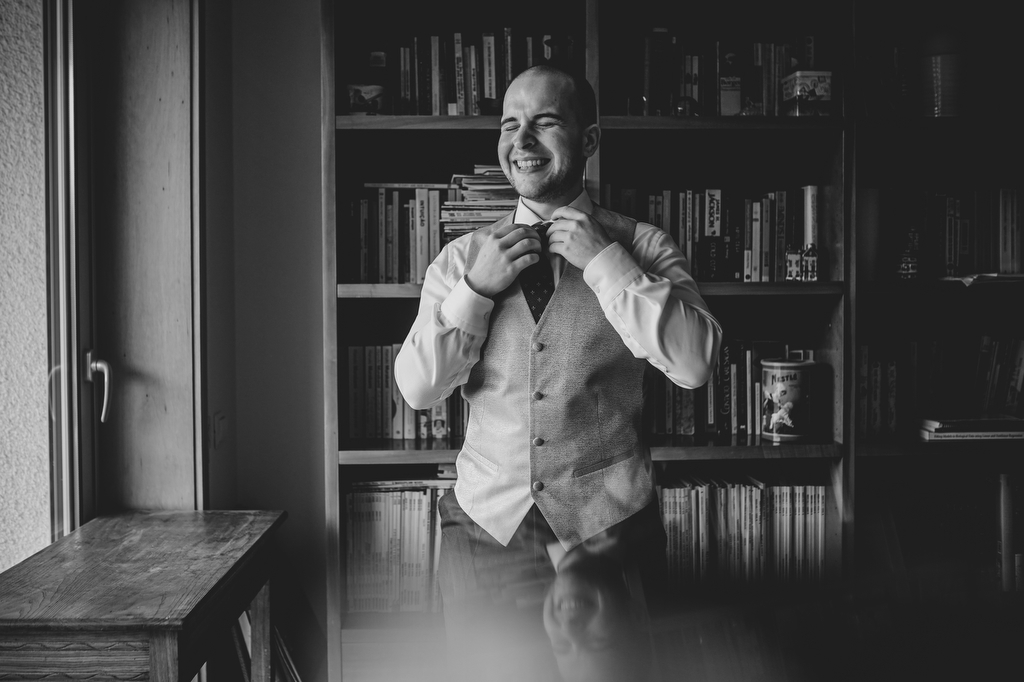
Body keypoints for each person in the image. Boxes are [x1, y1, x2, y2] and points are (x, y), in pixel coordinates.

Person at [394, 63, 722, 674]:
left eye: (544, 122)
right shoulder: (461, 259)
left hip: (610, 528)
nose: (521, 141)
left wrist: (607, 264)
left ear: (589, 139)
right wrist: (474, 291)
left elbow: (696, 364)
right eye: (509, 125)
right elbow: (417, 389)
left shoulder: (643, 246)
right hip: (485, 529)